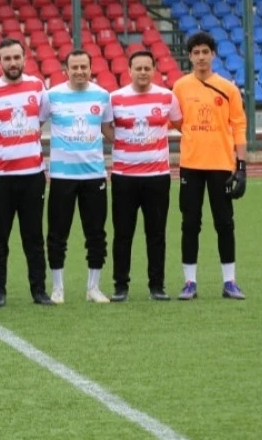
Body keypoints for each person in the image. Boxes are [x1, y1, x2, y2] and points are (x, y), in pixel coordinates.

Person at [172, 31, 247, 300]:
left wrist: (242, 166)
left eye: (206, 52)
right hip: (191, 165)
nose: (201, 57)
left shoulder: (228, 88)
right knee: (190, 223)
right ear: (189, 56)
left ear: (213, 55)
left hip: (221, 165)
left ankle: (230, 282)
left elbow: (239, 126)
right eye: (196, 53)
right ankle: (189, 283)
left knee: (224, 223)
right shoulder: (180, 87)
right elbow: (176, 120)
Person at [0, 38, 53, 306]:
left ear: (24, 58)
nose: (12, 63)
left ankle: (39, 290)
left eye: (16, 57)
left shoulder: (37, 87)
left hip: (32, 176)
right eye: (7, 58)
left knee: (33, 237)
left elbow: (40, 118)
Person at [110, 50, 181, 302]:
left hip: (157, 177)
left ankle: (157, 286)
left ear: (154, 70)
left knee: (156, 233)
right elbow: (106, 127)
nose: (142, 72)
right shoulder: (115, 98)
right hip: (124, 177)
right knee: (123, 233)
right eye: (138, 68)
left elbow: (180, 124)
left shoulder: (167, 97)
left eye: (146, 68)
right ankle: (120, 286)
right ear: (129, 71)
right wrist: (123, 143)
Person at [46, 50, 115, 304]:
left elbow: (108, 130)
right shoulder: (51, 96)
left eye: (83, 67)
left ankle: (93, 287)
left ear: (91, 67)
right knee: (57, 234)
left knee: (96, 234)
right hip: (62, 176)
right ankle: (57, 288)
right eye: (74, 67)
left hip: (94, 175)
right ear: (66, 69)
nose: (79, 71)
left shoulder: (103, 96)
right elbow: (35, 123)